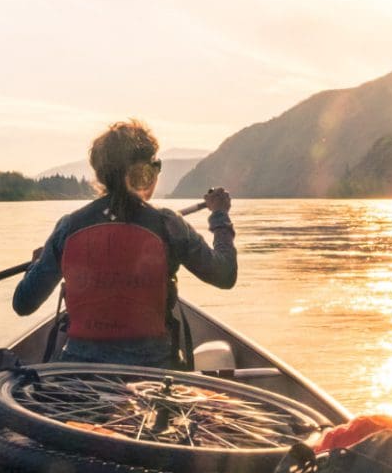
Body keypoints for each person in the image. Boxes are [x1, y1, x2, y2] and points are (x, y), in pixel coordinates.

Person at [13, 119, 236, 368]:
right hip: (154, 372)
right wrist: (219, 215)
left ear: (100, 174)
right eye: (156, 166)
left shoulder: (68, 227)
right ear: (146, 172)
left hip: (77, 373)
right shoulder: (168, 224)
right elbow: (225, 275)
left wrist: (36, 266)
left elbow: (23, 303)